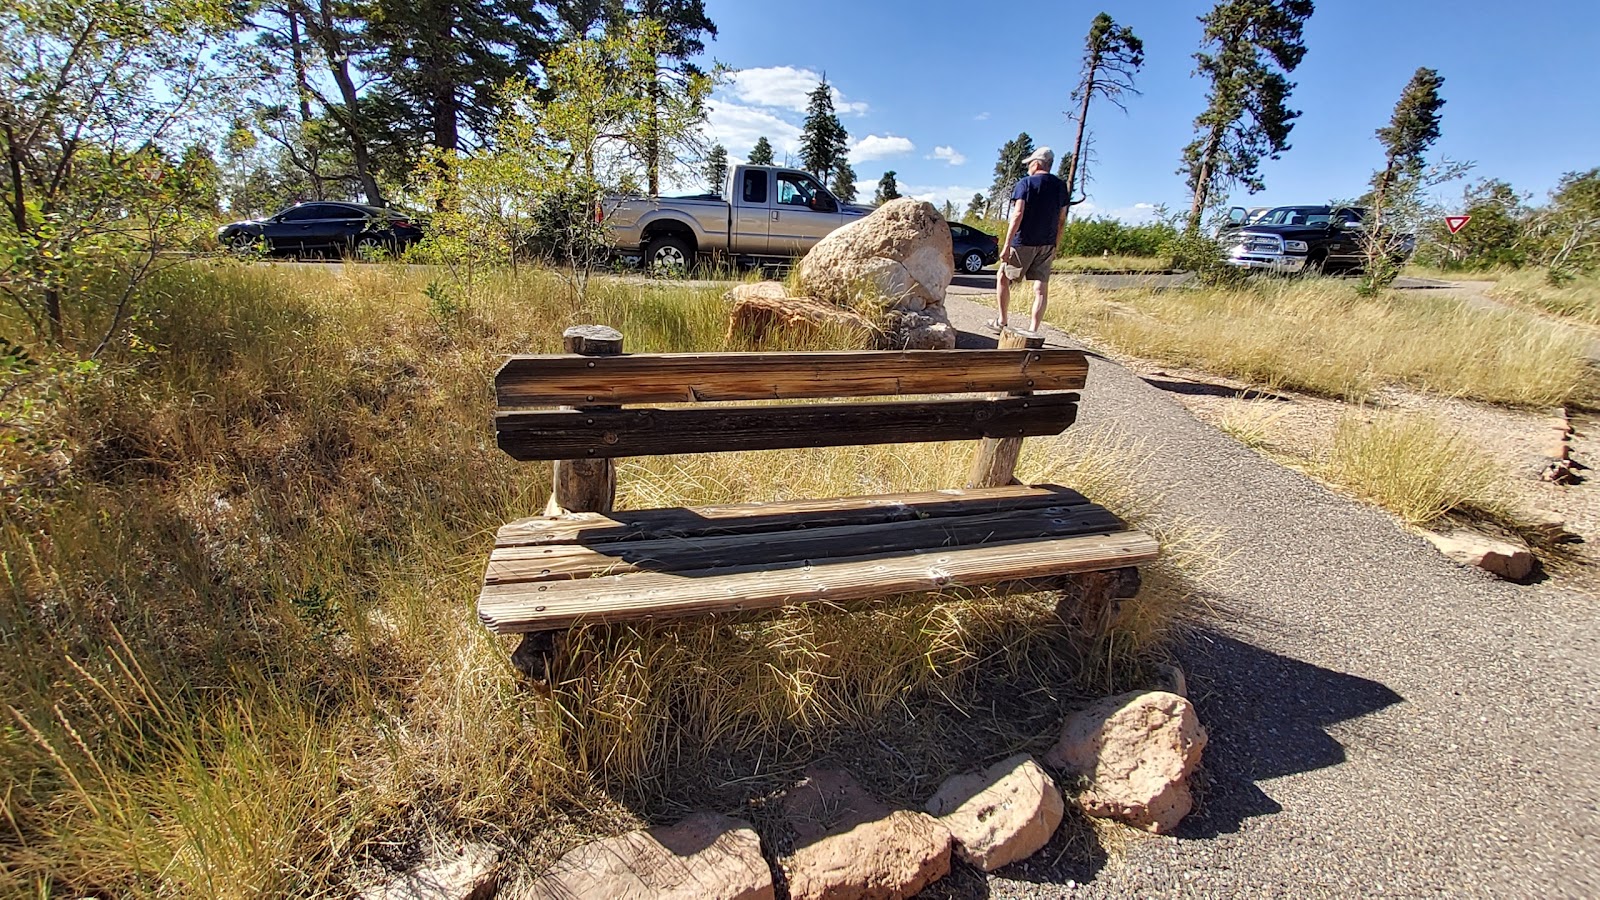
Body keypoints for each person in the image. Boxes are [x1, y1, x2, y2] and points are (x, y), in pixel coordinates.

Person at [989, 146, 1069, 335]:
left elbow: (1018, 214)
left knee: (1003, 276)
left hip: (1024, 240)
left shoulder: (1025, 183)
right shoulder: (1060, 187)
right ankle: (1033, 330)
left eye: (1029, 164)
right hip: (1048, 242)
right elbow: (1062, 219)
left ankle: (1002, 321)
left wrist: (1007, 244)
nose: (1028, 168)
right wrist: (1056, 244)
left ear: (1037, 163)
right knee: (1041, 287)